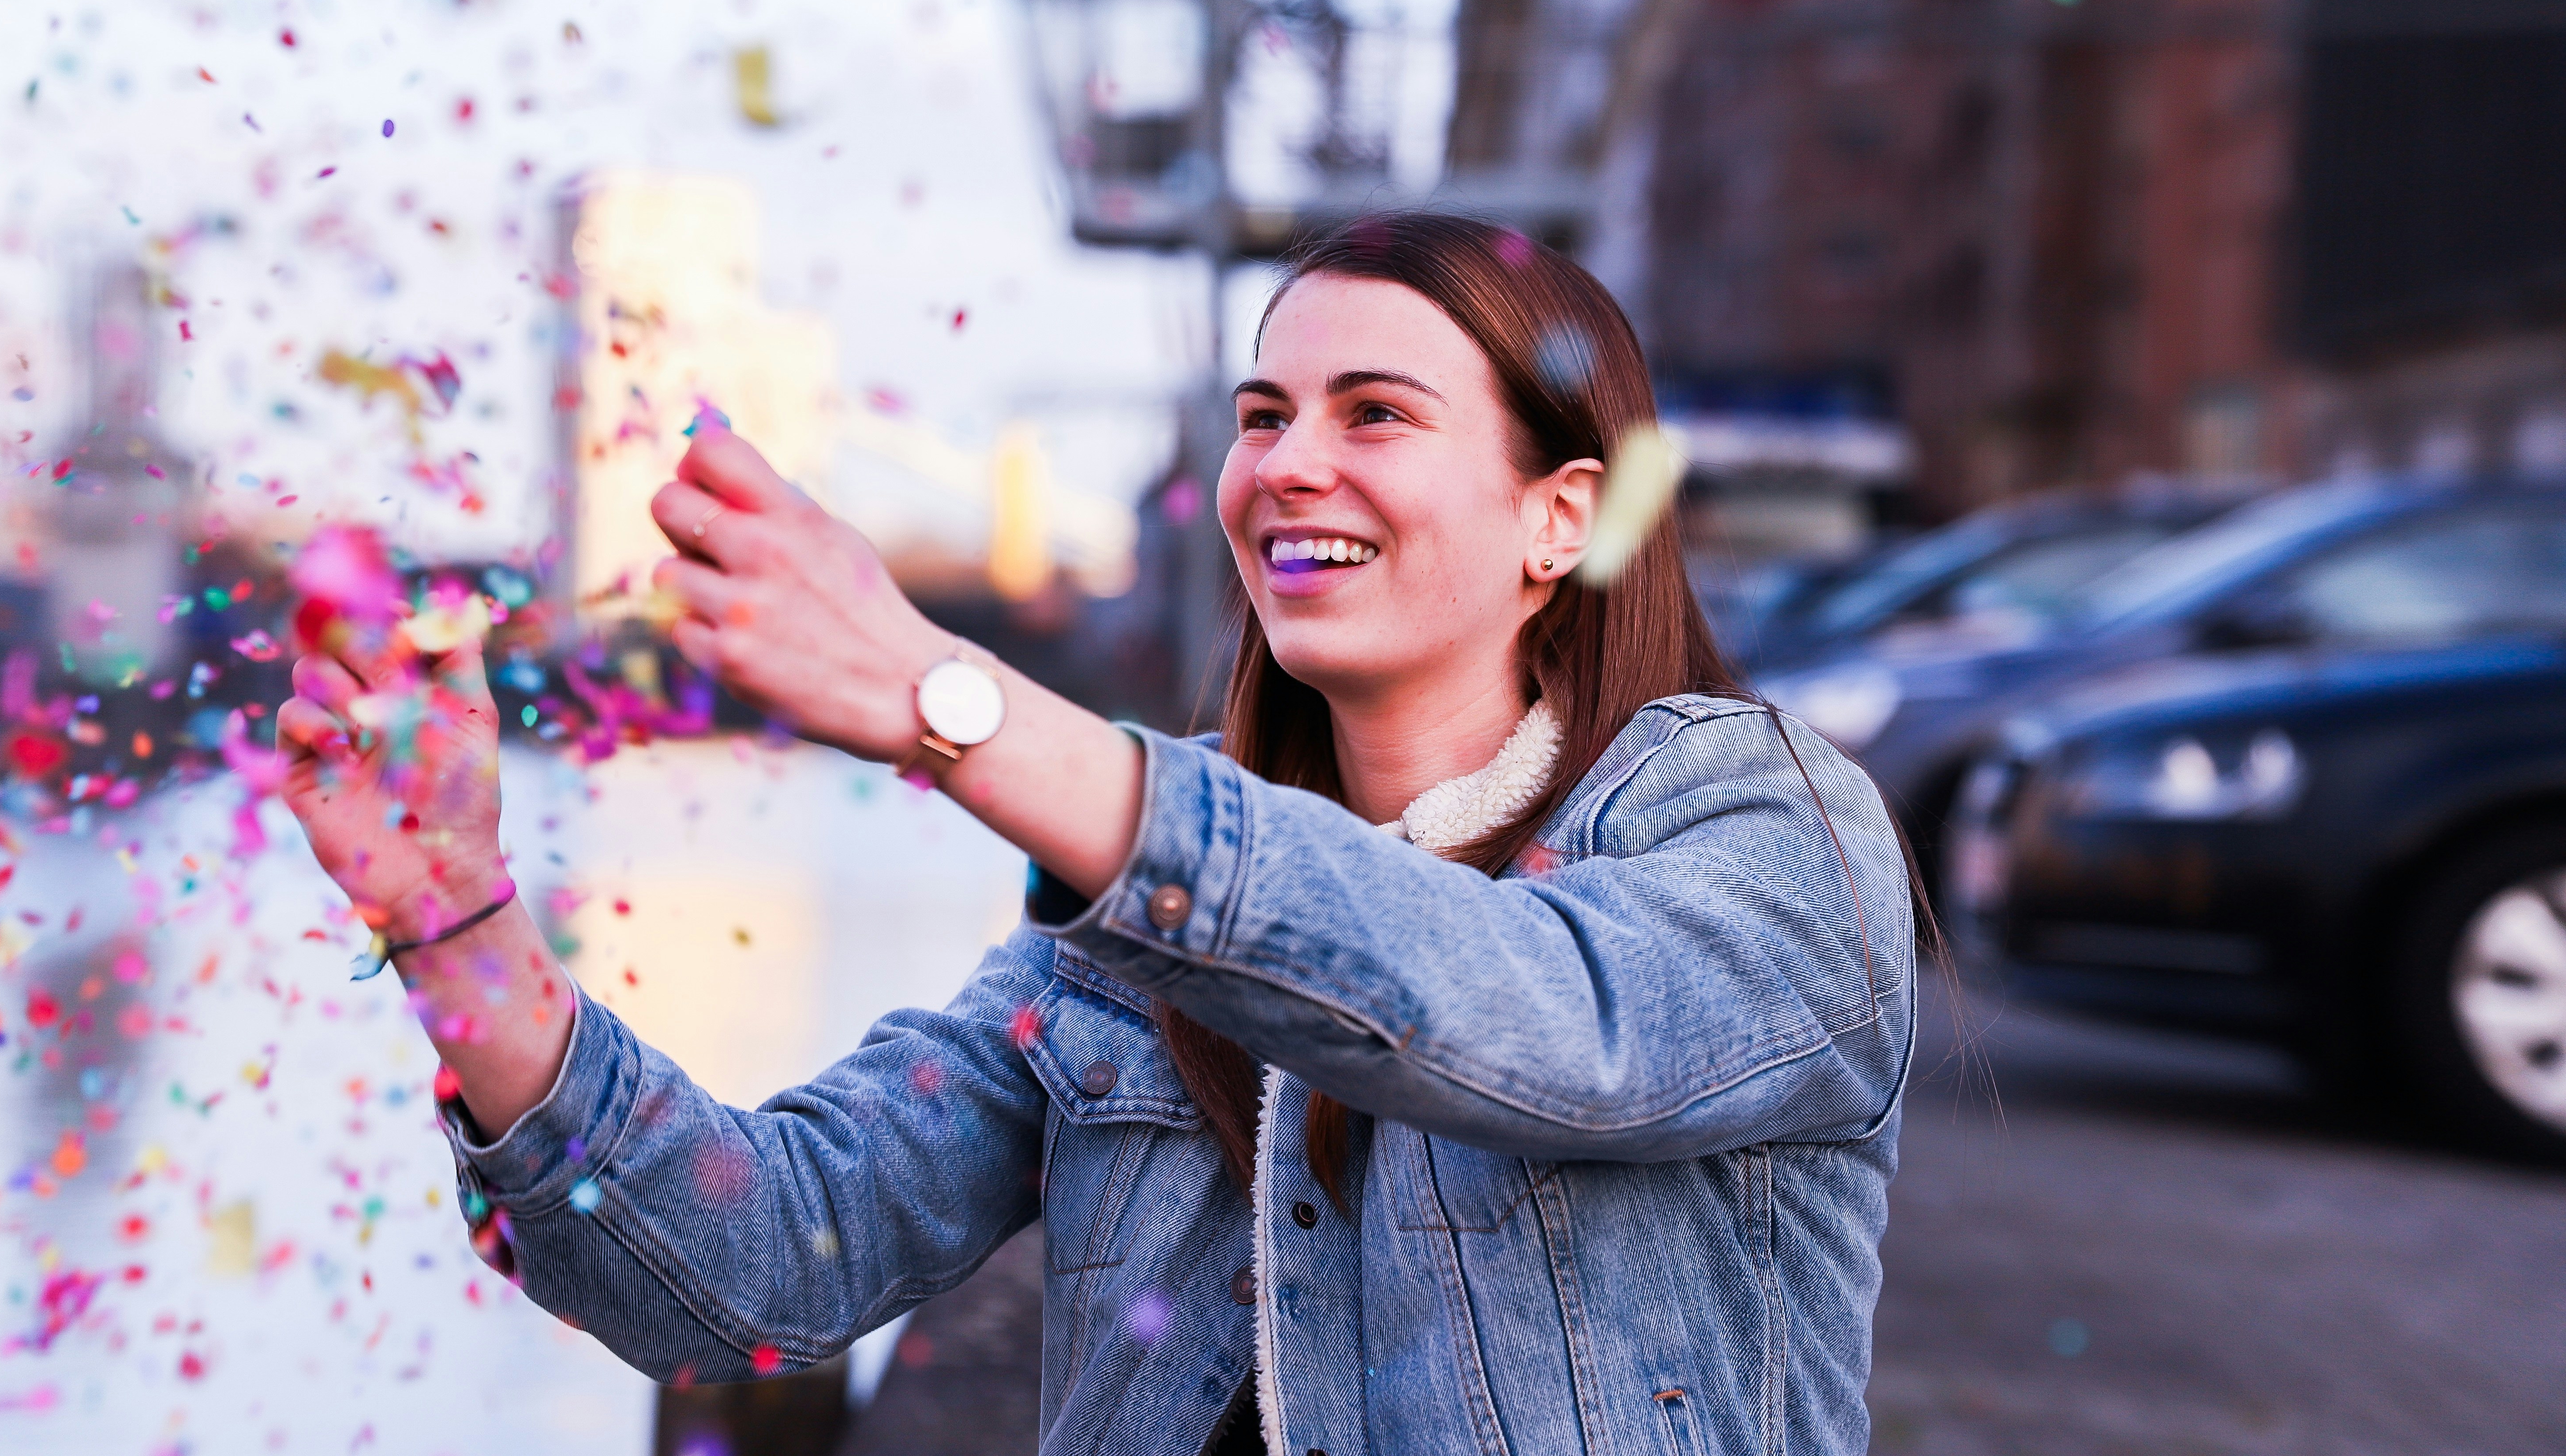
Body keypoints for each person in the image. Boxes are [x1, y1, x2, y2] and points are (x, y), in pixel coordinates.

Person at [278, 213, 1920, 1456]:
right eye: (1263, 415)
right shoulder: (1125, 949)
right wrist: (456, 927)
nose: (1288, 466)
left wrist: (946, 699)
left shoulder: (1763, 823)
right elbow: (763, 1264)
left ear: (1562, 516)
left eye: (1374, 415)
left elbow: (1522, 1012)